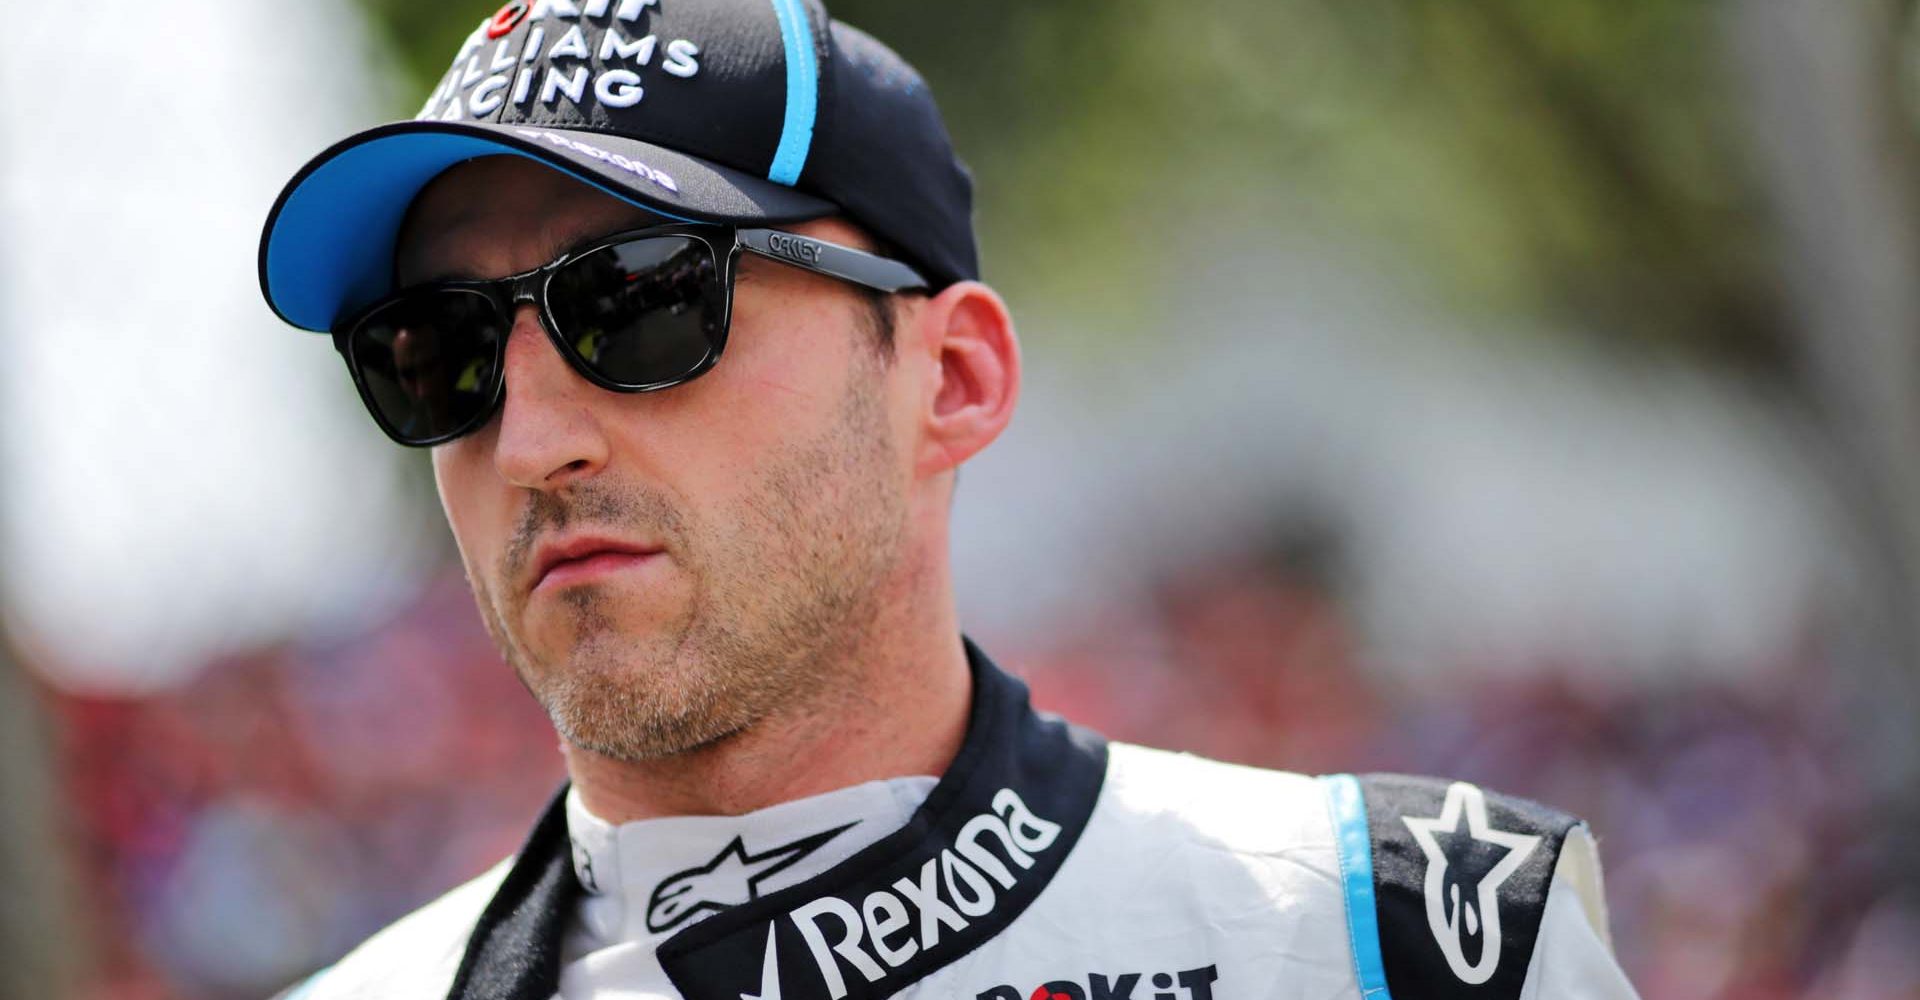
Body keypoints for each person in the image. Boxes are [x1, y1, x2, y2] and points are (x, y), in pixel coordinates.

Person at [258, 2, 1641, 998]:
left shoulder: (1401, 941)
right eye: (434, 353)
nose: (534, 438)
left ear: (955, 377)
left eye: (639, 299)